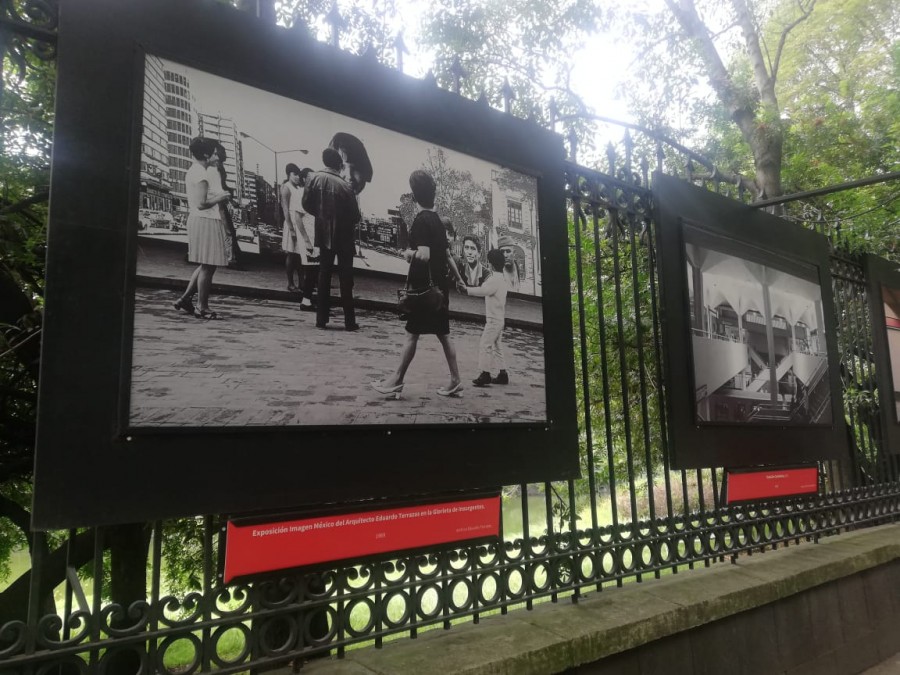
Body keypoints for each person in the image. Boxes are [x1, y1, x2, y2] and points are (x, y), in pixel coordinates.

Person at [372, 170, 462, 397]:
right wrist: (459, 279)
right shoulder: (439, 222)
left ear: (413, 196)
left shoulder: (421, 221)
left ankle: (396, 380)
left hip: (423, 291)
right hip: (439, 289)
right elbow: (446, 255)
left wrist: (407, 253)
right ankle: (455, 380)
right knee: (444, 334)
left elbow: (424, 255)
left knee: (411, 334)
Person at [302, 148, 362, 330]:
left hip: (323, 232)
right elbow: (355, 215)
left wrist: (322, 216)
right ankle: (349, 322)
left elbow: (307, 204)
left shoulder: (313, 178)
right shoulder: (346, 186)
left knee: (323, 275)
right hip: (344, 236)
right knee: (346, 278)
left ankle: (321, 319)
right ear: (339, 165)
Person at [173, 137, 231, 320]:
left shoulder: (198, 170)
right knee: (208, 266)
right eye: (214, 152)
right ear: (206, 154)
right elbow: (202, 203)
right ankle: (202, 307)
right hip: (205, 219)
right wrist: (221, 198)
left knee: (207, 264)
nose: (217, 155)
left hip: (203, 220)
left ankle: (187, 300)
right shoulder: (201, 174)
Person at [460, 249, 510, 386]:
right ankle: (503, 374)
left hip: (493, 320)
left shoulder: (494, 280)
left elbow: (483, 290)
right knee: (497, 346)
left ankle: (485, 374)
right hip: (499, 319)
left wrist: (466, 290)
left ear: (491, 263)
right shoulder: (501, 279)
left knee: (485, 344)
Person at [280, 165, 316, 310]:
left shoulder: (299, 189)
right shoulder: (286, 187)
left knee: (301, 257)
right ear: (289, 174)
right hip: (293, 223)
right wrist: (290, 228)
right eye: (294, 174)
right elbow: (285, 209)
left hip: (300, 224)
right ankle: (290, 283)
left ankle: (302, 283)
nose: (296, 177)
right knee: (291, 254)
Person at [211, 142, 241, 268]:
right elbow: (219, 186)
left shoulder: (217, 166)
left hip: (220, 202)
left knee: (226, 230)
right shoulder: (215, 167)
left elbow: (222, 186)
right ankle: (230, 258)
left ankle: (229, 256)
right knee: (228, 231)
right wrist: (230, 197)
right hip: (218, 203)